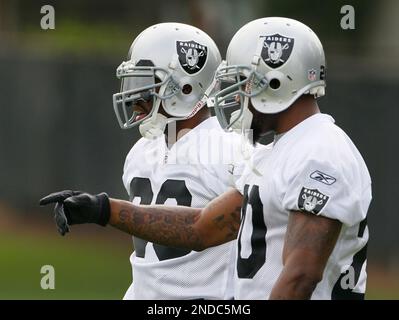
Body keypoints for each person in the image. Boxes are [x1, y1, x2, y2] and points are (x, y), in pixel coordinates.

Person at [40, 17, 372, 300]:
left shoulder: (320, 153)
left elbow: (301, 276)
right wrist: (104, 209)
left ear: (275, 82)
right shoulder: (280, 152)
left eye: (243, 83)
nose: (235, 95)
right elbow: (201, 228)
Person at [41, 22, 248, 300]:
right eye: (133, 82)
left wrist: (103, 210)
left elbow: (213, 231)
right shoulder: (141, 151)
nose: (135, 96)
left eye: (146, 84)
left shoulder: (233, 150)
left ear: (185, 87)